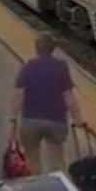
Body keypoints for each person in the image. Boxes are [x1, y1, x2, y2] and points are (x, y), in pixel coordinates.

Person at [10, 33, 83, 174]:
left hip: (31, 121)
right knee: (56, 159)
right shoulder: (62, 66)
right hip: (56, 121)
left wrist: (13, 118)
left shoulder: (28, 66)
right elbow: (68, 96)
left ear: (36, 48)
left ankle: (37, 183)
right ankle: (57, 185)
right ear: (53, 49)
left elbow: (19, 94)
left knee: (32, 160)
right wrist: (78, 119)